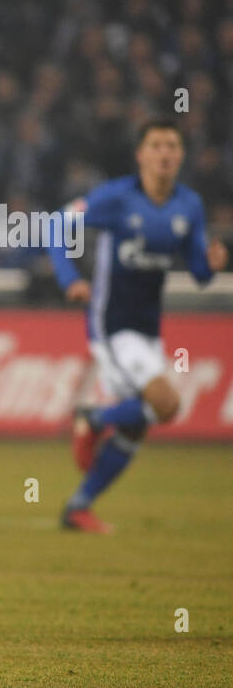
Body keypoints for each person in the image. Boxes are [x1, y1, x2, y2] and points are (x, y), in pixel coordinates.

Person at [50, 119, 227, 533]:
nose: (165, 153)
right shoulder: (117, 198)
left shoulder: (189, 206)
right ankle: (93, 420)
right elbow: (57, 224)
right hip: (111, 324)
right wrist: (69, 279)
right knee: (167, 405)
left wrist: (211, 266)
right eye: (156, 145)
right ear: (141, 155)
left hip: (148, 330)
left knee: (135, 428)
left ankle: (78, 506)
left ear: (180, 155)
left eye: (172, 145)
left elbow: (198, 273)